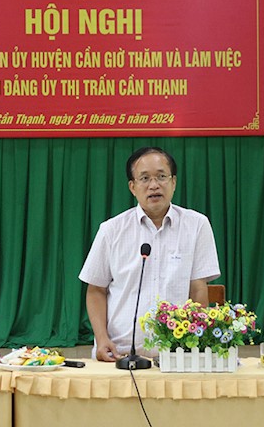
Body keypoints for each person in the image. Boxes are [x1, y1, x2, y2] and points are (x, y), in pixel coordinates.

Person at [78, 147, 221, 361]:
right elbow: (96, 290)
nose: (154, 185)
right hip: (120, 353)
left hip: (175, 353)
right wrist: (101, 339)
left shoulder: (197, 225)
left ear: (173, 182)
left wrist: (194, 342)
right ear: (132, 187)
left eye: (161, 177)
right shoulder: (111, 230)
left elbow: (198, 288)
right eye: (144, 178)